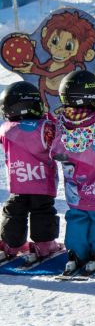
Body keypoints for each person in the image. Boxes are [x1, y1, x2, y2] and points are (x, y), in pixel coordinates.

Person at [50, 70, 95, 274]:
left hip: (75, 188)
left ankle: (76, 254)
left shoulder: (61, 122)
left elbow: (55, 151)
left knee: (76, 218)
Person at [0, 81, 60, 263]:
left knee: (14, 213)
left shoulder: (5, 129)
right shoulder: (46, 127)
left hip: (18, 183)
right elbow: (57, 141)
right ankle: (44, 245)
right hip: (42, 183)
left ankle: (11, 244)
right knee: (42, 212)